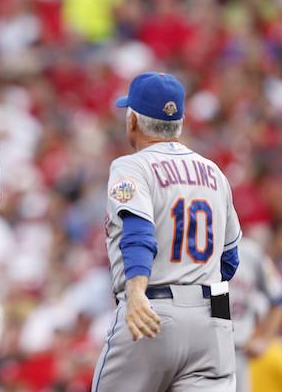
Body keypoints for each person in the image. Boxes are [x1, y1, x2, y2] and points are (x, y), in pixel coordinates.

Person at [91, 72, 242, 392]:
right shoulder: (214, 172)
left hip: (152, 310)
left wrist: (135, 292)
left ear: (132, 120)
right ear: (180, 123)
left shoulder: (131, 166)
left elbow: (138, 233)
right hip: (212, 321)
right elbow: (229, 258)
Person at [230, 237, 282, 392]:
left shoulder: (250, 251)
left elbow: (277, 298)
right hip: (202, 351)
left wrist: (264, 339)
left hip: (237, 351)